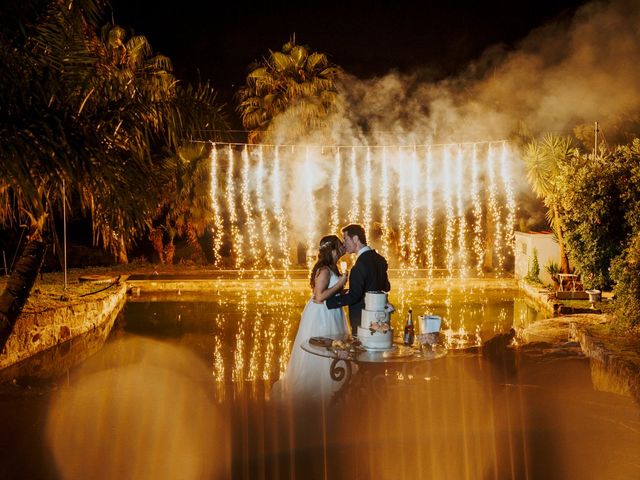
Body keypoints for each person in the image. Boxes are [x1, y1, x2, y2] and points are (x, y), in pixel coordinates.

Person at [271, 235, 349, 401]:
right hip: (322, 315)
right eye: (339, 245)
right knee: (323, 349)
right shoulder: (325, 271)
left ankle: (334, 383)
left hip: (331, 312)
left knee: (332, 348)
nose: (342, 248)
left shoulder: (332, 267)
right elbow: (319, 297)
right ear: (332, 250)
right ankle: (319, 388)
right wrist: (340, 284)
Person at [326, 223, 391, 336]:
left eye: (345, 239)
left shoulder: (359, 266)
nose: (344, 244)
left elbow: (354, 297)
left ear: (355, 239)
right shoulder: (379, 259)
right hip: (381, 318)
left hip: (363, 321)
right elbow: (386, 287)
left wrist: (328, 302)